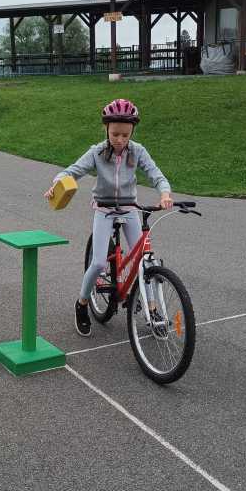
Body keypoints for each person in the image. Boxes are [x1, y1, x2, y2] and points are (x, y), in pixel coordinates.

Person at [44, 99, 172, 337]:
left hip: (129, 208)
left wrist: (164, 193)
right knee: (99, 263)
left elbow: (156, 174)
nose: (120, 140)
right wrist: (57, 184)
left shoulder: (138, 151)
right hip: (103, 210)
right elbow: (72, 171)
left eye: (125, 135)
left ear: (132, 132)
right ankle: (82, 303)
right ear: (106, 129)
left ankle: (152, 309)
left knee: (145, 260)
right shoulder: (97, 152)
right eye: (115, 134)